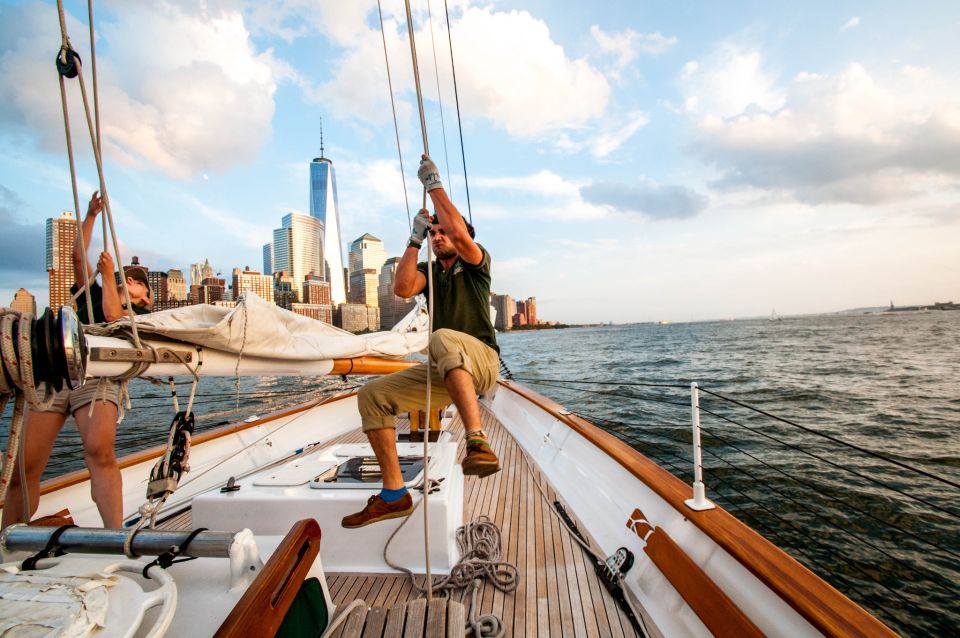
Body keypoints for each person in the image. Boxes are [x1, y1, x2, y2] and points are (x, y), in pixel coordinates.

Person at [342, 156, 501, 529]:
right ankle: (394, 495)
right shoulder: (429, 272)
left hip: (481, 362)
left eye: (442, 231)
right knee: (372, 396)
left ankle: (476, 440)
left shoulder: (475, 263)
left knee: (441, 338)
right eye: (433, 234)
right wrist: (413, 238)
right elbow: (400, 288)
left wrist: (433, 183)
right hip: (446, 369)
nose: (438, 236)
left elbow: (460, 235)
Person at [2, 192, 151, 529]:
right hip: (55, 374)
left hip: (98, 376)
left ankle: (114, 536)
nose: (136, 289)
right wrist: (90, 215)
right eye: (132, 282)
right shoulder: (92, 293)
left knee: (100, 453)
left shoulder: (139, 314)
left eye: (140, 287)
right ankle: (6, 543)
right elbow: (74, 256)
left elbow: (114, 315)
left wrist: (113, 278)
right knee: (24, 471)